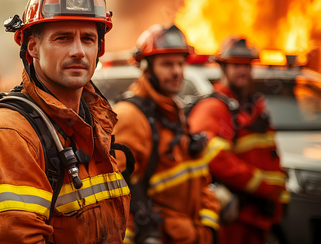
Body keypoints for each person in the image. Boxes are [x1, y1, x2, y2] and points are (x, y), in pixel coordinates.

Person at [0, 0, 130, 243]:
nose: (78, 51)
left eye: (88, 39)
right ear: (32, 46)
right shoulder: (5, 136)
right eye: (63, 38)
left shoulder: (94, 124)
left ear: (100, 49)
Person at [113, 24, 220, 244]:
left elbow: (200, 177)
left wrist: (209, 225)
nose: (177, 71)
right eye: (167, 64)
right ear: (146, 68)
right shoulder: (129, 117)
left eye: (181, 63)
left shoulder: (173, 112)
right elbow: (117, 195)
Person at [187, 38, 289, 244]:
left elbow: (271, 156)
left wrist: (281, 196)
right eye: (236, 65)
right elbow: (214, 156)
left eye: (246, 65)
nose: (242, 71)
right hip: (234, 218)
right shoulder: (213, 108)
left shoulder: (252, 109)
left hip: (258, 215)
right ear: (223, 68)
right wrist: (264, 188)